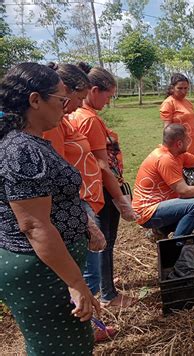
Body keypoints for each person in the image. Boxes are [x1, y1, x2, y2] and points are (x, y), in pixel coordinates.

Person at [0, 63, 99, 355]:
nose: (65, 107)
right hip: (40, 271)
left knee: (73, 342)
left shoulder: (28, 143)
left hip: (51, 266)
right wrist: (77, 282)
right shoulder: (21, 150)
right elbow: (34, 226)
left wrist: (85, 225)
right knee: (60, 348)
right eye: (60, 100)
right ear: (35, 100)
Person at [42, 62, 115, 341]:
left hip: (81, 204)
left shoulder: (61, 121)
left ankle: (89, 326)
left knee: (85, 272)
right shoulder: (50, 127)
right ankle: (84, 330)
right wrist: (87, 221)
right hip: (75, 208)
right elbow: (57, 180)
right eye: (73, 98)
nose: (75, 105)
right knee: (86, 276)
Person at [70, 63, 137, 308]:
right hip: (101, 189)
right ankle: (108, 294)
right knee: (105, 240)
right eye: (108, 96)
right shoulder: (89, 120)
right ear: (94, 90)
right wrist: (121, 200)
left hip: (89, 188)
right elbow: (102, 165)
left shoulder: (76, 116)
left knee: (101, 242)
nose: (108, 101)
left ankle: (105, 283)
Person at [160, 73, 194, 155]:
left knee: (192, 166)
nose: (183, 91)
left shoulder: (188, 103)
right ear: (172, 88)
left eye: (186, 88)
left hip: (191, 145)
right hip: (177, 148)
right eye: (179, 88)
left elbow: (193, 124)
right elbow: (167, 130)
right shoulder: (168, 103)